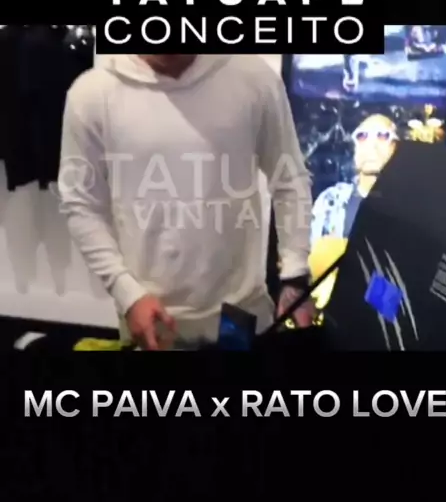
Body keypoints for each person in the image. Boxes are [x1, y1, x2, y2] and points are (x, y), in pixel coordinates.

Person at [58, 53, 314, 350]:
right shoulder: (94, 94)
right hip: (151, 320)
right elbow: (81, 204)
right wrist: (126, 292)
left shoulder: (253, 77)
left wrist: (295, 273)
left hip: (242, 314)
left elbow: (289, 179)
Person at [311, 113, 398, 240]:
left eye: (382, 135)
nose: (371, 145)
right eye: (362, 136)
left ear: (396, 147)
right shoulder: (331, 201)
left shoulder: (412, 205)